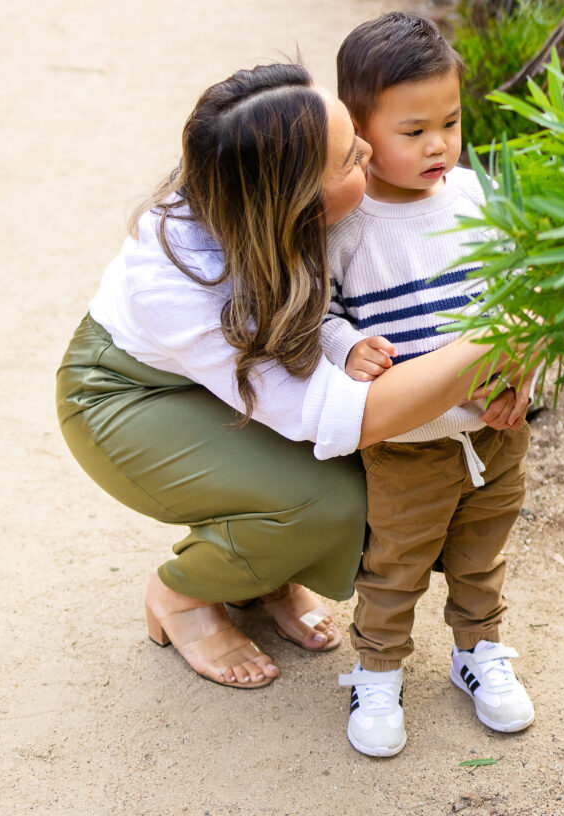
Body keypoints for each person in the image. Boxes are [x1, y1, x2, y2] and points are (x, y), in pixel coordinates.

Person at [56, 60, 523, 693]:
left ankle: (266, 575)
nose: (368, 149)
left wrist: (507, 368)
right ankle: (183, 596)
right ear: (297, 199)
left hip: (234, 375)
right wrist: (498, 345)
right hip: (128, 392)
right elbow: (343, 418)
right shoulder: (186, 282)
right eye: (350, 159)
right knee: (333, 504)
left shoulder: (272, 187)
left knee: (393, 474)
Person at [322, 13, 535, 756]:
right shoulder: (346, 224)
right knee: (396, 563)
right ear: (358, 129)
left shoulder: (478, 198)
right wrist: (346, 346)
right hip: (407, 444)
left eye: (449, 121)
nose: (438, 144)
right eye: (412, 130)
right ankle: (375, 671)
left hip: (495, 430)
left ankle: (478, 652)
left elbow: (522, 297)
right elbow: (318, 311)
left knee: (482, 552)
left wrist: (522, 376)